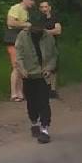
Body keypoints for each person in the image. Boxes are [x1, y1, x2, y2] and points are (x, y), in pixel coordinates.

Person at [15, 10, 58, 144]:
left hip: (43, 75)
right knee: (32, 103)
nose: (38, 28)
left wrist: (49, 68)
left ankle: (44, 129)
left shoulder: (48, 37)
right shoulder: (23, 36)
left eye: (40, 25)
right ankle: (34, 123)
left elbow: (53, 55)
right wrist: (22, 69)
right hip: (28, 75)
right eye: (35, 26)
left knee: (44, 102)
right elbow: (19, 55)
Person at [5, 0, 37, 102]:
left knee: (22, 66)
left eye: (34, 0)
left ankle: (20, 92)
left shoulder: (26, 12)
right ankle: (14, 93)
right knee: (16, 66)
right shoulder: (16, 8)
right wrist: (25, 25)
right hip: (13, 40)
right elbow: (10, 22)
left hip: (22, 41)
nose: (33, 2)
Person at [39, 0, 62, 98]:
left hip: (52, 45)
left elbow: (58, 30)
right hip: (41, 45)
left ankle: (53, 90)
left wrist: (45, 32)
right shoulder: (39, 19)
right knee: (43, 66)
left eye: (45, 7)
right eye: (42, 7)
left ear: (49, 8)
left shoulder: (54, 18)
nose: (44, 9)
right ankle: (46, 88)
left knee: (54, 67)